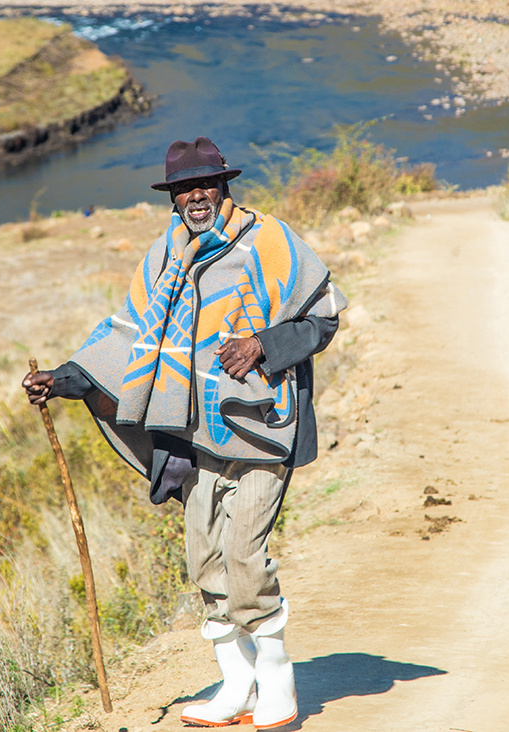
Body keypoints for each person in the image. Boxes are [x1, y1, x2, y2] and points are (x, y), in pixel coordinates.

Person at [23, 136, 344, 729]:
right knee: (204, 561)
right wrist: (64, 379)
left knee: (245, 556)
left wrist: (263, 345)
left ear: (225, 187)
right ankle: (237, 685)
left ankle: (278, 683)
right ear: (173, 200)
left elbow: (322, 317)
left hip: (260, 432)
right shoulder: (163, 260)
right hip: (195, 437)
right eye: (184, 190)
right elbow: (128, 337)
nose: (196, 197)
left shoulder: (270, 241)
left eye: (206, 186)